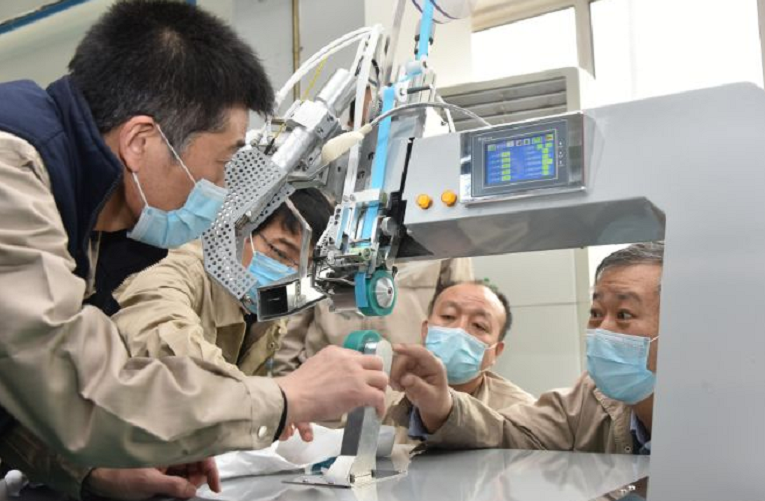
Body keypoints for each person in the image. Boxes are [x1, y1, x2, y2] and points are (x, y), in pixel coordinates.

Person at [0, 0, 387, 497]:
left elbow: (18, 390)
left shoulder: (86, 223)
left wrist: (91, 472)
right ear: (141, 142)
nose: (222, 192)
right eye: (223, 165)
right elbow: (77, 387)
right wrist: (286, 398)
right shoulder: (13, 171)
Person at [390, 242, 663, 455]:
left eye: (624, 314)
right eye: (596, 313)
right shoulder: (587, 400)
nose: (602, 330)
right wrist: (442, 408)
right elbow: (509, 433)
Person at [114, 189, 332, 380]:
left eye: (304, 268)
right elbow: (164, 346)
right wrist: (276, 397)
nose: (290, 274)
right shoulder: (179, 272)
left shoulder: (265, 308)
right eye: (280, 253)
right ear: (240, 230)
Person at [383, 280, 534, 444]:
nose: (459, 329)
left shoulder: (521, 415)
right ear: (425, 330)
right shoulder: (383, 392)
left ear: (496, 352)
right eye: (448, 316)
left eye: (479, 325)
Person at [272, 258, 475, 376]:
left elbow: (461, 312)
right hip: (323, 385)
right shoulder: (330, 218)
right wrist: (285, 380)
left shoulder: (440, 228)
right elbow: (297, 312)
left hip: (402, 391)